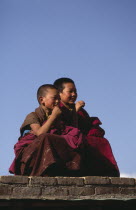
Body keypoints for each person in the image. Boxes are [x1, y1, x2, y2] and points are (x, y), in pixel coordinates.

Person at [9, 84, 85, 176]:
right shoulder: (33, 116)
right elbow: (40, 134)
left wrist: (74, 112)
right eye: (54, 98)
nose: (57, 101)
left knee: (74, 138)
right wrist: (53, 116)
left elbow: (71, 131)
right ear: (42, 100)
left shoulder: (59, 116)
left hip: (51, 150)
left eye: (58, 98)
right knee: (46, 138)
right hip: (31, 153)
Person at [53, 77, 120, 177]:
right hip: (65, 138)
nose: (74, 94)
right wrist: (74, 112)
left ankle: (105, 173)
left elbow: (88, 125)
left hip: (81, 136)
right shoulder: (57, 109)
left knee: (102, 142)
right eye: (70, 92)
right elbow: (62, 127)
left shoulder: (80, 111)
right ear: (59, 93)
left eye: (75, 91)